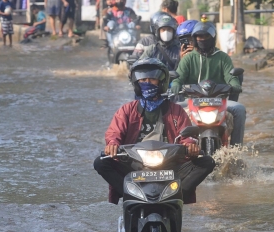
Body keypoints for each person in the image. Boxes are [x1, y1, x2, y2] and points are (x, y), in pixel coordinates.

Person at [93, 58, 215, 204]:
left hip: (169, 163)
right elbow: (114, 133)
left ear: (161, 82)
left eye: (152, 79)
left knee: (207, 162)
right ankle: (130, 195)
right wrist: (112, 144)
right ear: (136, 83)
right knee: (100, 163)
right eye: (143, 80)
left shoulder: (176, 110)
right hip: (134, 164)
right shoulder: (126, 110)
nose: (147, 83)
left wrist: (190, 144)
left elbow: (187, 135)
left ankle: (177, 194)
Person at [170, 22, 246, 146]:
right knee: (172, 111)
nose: (202, 40)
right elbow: (178, 77)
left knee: (240, 109)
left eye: (206, 37)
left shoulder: (223, 57)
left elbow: (231, 77)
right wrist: (175, 85)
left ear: (213, 38)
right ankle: (175, 147)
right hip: (192, 102)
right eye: (199, 37)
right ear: (194, 39)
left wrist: (235, 85)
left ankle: (236, 148)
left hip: (219, 102)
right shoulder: (189, 58)